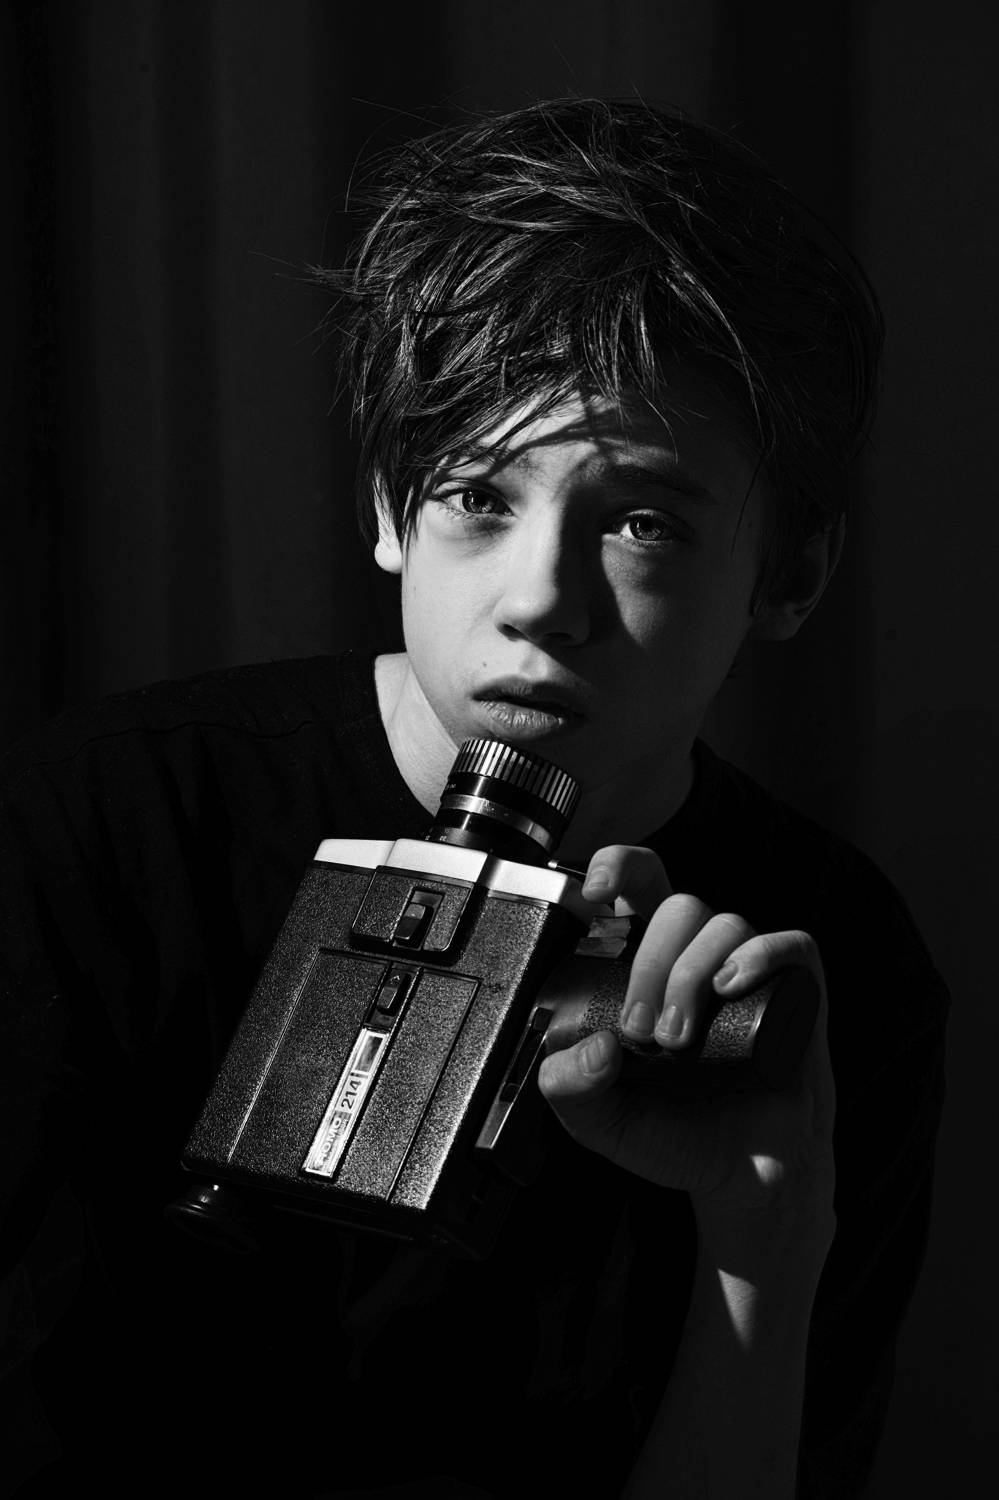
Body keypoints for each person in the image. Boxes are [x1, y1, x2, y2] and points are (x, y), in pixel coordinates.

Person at [0, 98, 947, 1498]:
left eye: (643, 523)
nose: (539, 601)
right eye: (479, 497)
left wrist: (767, 1242)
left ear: (791, 573)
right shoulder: (104, 833)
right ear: (390, 508)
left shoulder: (825, 963)